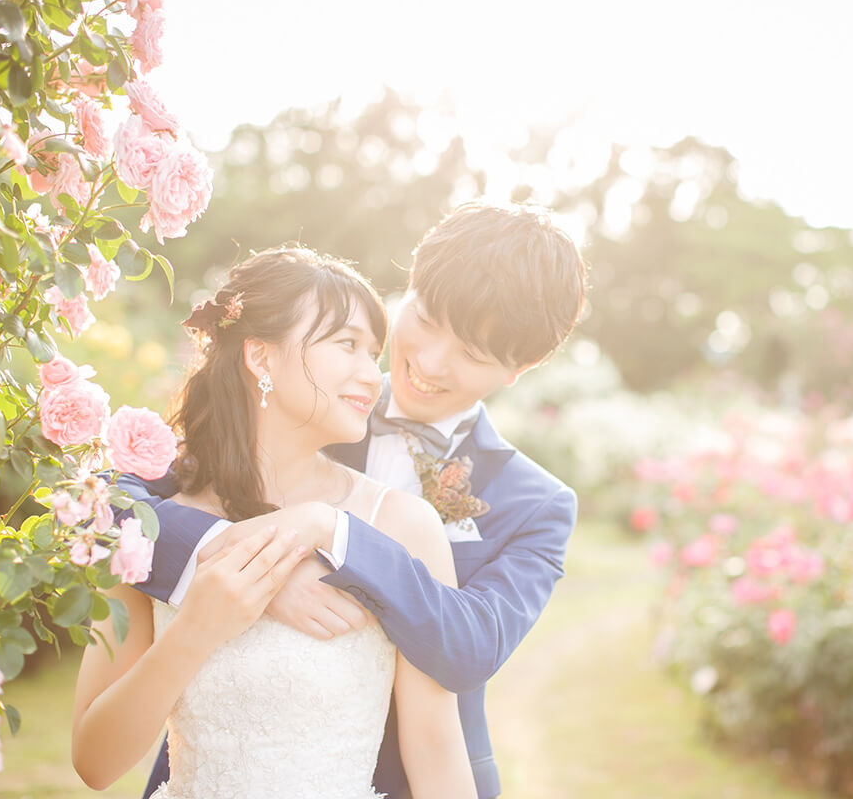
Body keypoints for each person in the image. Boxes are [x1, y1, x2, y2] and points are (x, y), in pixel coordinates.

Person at [120, 202, 589, 799]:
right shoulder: (305, 401)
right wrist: (255, 568)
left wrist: (333, 533)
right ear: (411, 282)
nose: (429, 361)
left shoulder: (537, 505)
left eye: (471, 354)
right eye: (426, 318)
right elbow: (116, 503)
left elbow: (470, 647)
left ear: (524, 367)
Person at [71, 248, 477, 798]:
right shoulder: (148, 529)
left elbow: (436, 749)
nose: (371, 375)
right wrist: (196, 630)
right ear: (260, 358)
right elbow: (94, 763)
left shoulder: (403, 526)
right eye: (347, 344)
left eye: (374, 352)